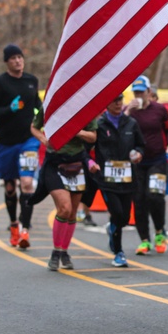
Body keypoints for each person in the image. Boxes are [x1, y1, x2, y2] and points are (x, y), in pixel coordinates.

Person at [0, 44, 43, 249]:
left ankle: (25, 231)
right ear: (6, 62)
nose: (18, 61)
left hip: (29, 140)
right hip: (6, 142)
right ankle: (13, 225)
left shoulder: (31, 81)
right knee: (11, 187)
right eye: (13, 58)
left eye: (20, 57)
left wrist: (47, 118)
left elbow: (37, 105)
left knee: (27, 183)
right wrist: (9, 109)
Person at [30, 110, 98, 271]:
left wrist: (77, 132)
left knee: (72, 212)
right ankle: (56, 251)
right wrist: (43, 139)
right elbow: (34, 127)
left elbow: (93, 136)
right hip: (54, 163)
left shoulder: (84, 106)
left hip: (76, 164)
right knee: (64, 208)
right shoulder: (49, 105)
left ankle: (64, 251)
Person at [125, 75, 168, 255]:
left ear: (149, 92)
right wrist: (126, 113)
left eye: (142, 92)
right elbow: (120, 130)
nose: (139, 95)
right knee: (139, 199)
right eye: (136, 92)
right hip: (137, 162)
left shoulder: (159, 109)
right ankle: (144, 240)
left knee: (154, 196)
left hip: (158, 160)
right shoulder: (129, 111)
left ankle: (159, 232)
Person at [93, 93, 146, 267]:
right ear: (106, 104)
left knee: (123, 217)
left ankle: (112, 228)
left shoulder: (131, 123)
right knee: (116, 213)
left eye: (119, 100)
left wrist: (139, 153)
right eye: (113, 100)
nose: (117, 103)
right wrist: (90, 162)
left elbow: (141, 144)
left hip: (128, 177)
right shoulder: (99, 124)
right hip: (107, 179)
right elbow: (88, 148)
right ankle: (118, 252)